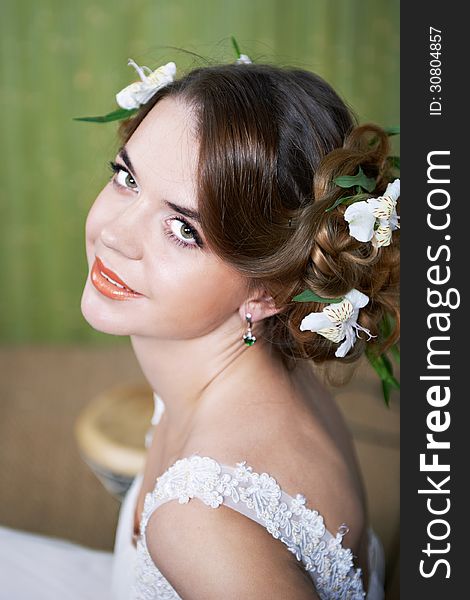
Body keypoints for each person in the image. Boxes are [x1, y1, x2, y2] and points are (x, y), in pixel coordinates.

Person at [79, 54, 399, 600]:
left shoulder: (199, 524)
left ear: (268, 290)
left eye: (183, 229)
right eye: (127, 178)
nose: (114, 233)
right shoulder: (257, 368)